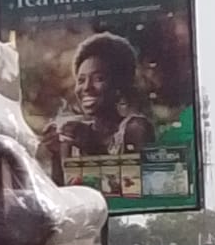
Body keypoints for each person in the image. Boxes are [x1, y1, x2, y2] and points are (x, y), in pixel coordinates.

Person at [41, 33, 155, 185]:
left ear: (119, 86)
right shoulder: (73, 136)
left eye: (98, 79)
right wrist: (56, 154)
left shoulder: (135, 128)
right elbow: (62, 197)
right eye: (81, 80)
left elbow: (133, 188)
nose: (86, 87)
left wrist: (93, 149)